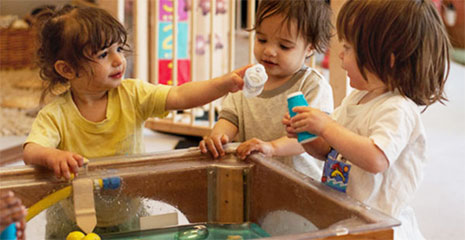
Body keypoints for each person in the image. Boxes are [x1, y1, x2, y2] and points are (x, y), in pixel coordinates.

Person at [22, 5, 249, 239]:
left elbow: (180, 95)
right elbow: (31, 150)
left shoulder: (133, 94)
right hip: (73, 222)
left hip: (128, 214)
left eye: (119, 48)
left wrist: (223, 84)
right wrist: (53, 156)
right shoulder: (56, 114)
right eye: (103, 55)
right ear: (67, 69)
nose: (119, 60)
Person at [284, 0, 450, 239]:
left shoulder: (398, 109)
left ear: (388, 58)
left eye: (349, 48)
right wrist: (307, 135)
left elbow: (376, 158)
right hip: (349, 216)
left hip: (381, 226)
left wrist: (327, 126)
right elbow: (329, 150)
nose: (340, 55)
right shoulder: (357, 98)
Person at [199, 0, 333, 179]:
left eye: (284, 46)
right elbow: (230, 118)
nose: (269, 51)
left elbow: (310, 139)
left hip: (299, 186)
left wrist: (272, 147)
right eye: (261, 39)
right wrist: (218, 137)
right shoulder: (247, 79)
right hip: (254, 179)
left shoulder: (312, 85)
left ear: (310, 48)